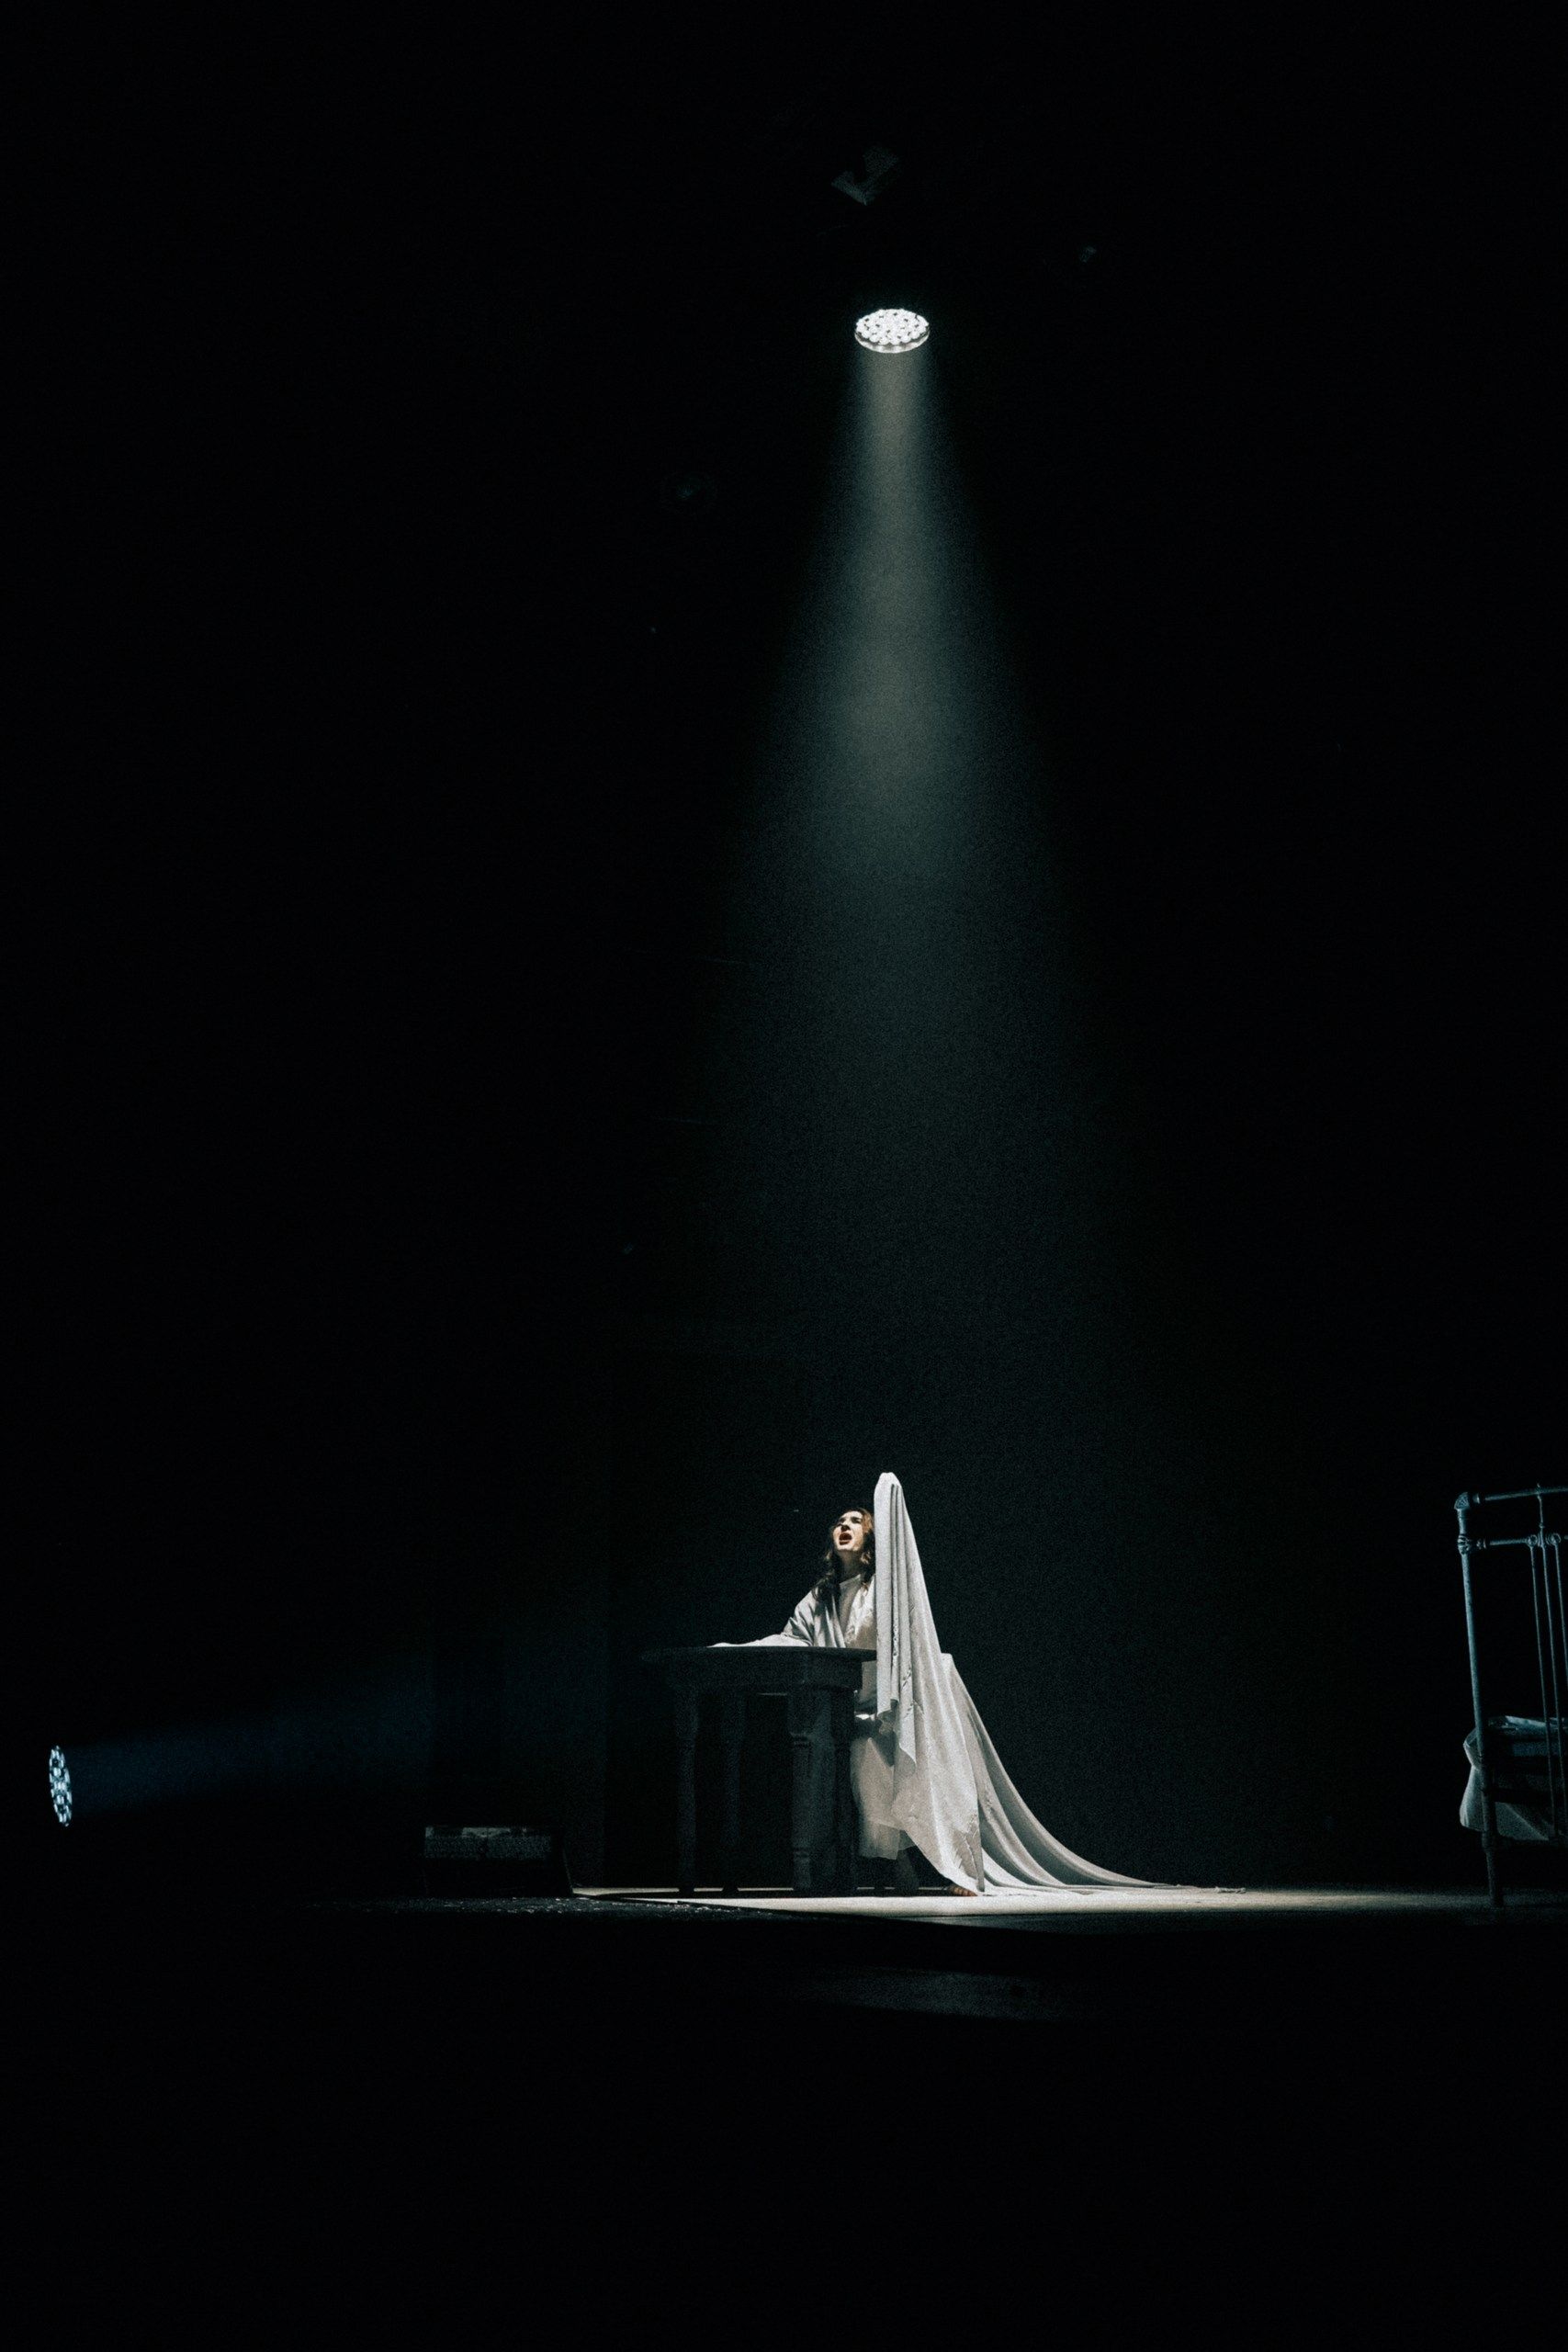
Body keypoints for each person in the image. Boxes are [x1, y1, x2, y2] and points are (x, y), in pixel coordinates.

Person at [721, 1471, 1155, 1898]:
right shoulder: (822, 1597)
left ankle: (948, 1862)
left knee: (910, 1758)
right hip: (855, 1708)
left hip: (899, 1701)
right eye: (839, 1522)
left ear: (871, 1538)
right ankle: (887, 1860)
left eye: (856, 1521)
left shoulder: (884, 1589)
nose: (845, 1526)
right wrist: (738, 1648)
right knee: (861, 1755)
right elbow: (793, 1637)